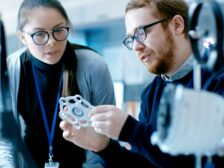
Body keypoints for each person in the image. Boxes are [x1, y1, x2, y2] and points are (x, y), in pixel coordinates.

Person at [60, 0, 224, 167]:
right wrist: (105, 148)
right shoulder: (151, 94)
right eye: (132, 38)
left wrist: (131, 130)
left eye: (141, 32)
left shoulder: (217, 79)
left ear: (177, 25)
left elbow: (201, 161)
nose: (136, 46)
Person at [7, 0, 115, 167]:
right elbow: (4, 139)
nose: (51, 41)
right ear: (22, 37)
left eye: (58, 30)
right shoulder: (11, 69)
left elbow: (107, 132)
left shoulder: (93, 66)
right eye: (40, 34)